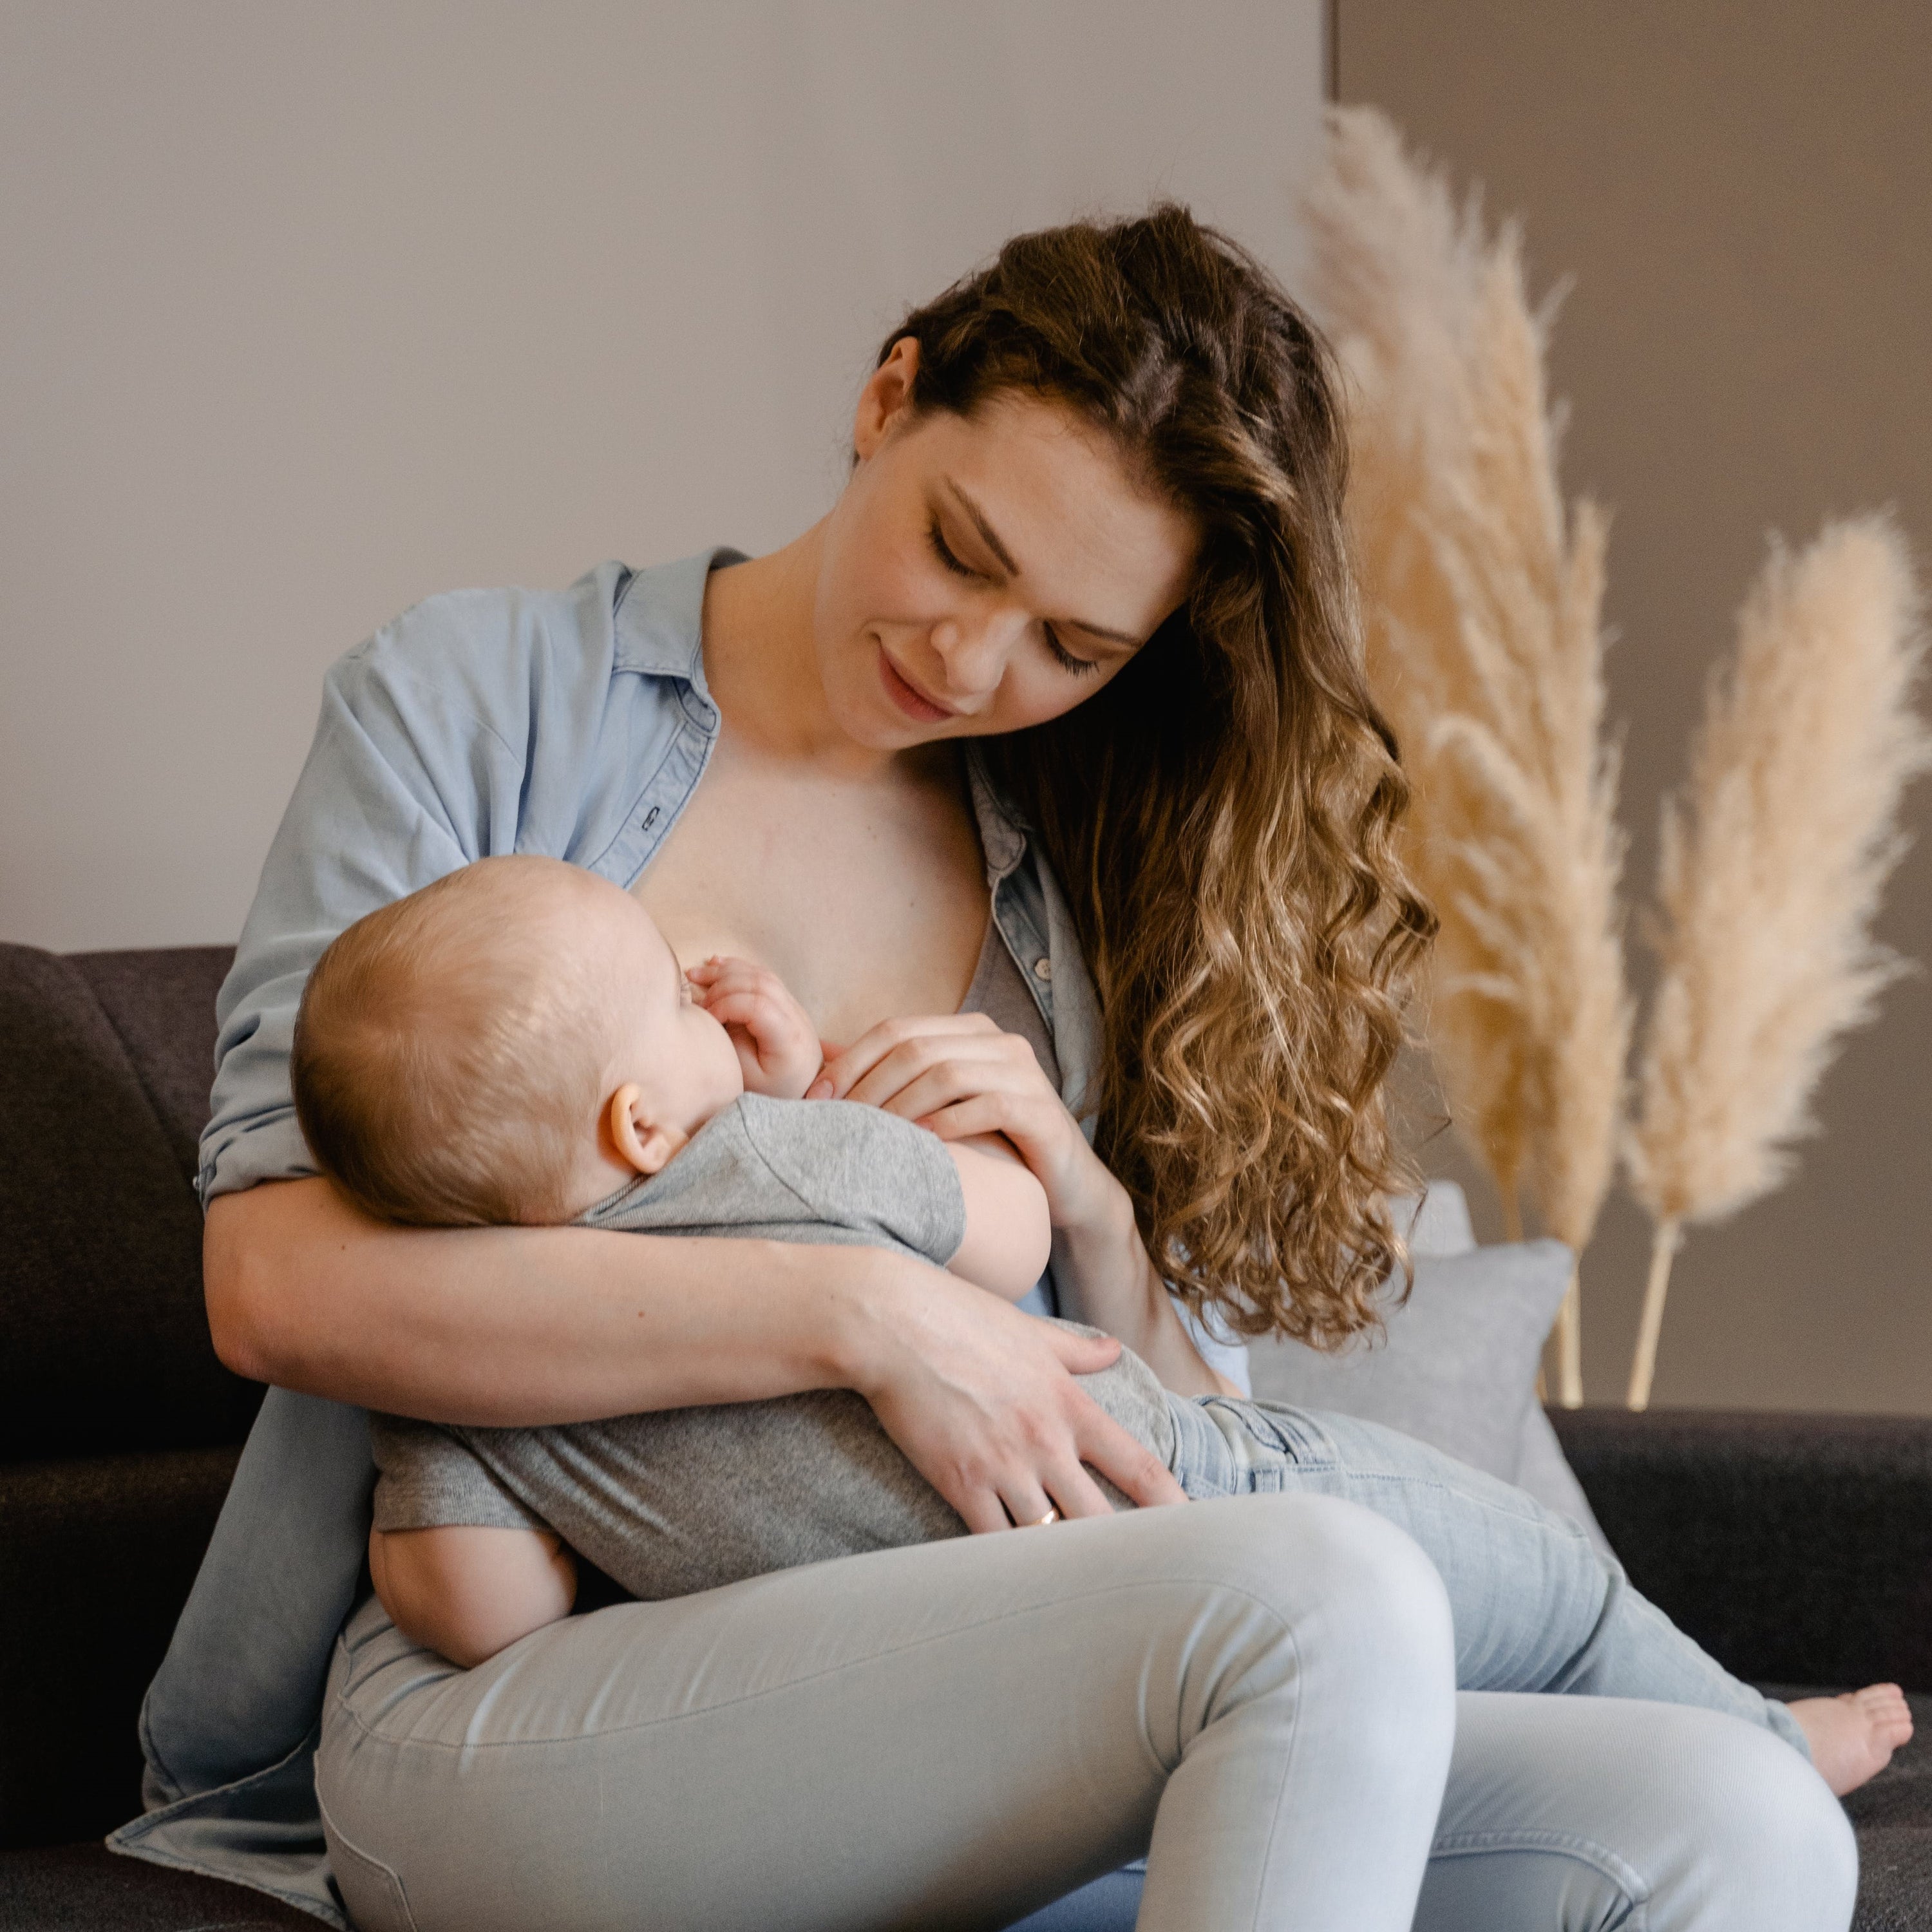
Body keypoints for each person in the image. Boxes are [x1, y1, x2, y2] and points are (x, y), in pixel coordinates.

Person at [117, 207, 1871, 1932]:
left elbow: (1168, 1442)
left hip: (999, 1666)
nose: (970, 663)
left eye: (1073, 645)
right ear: (890, 400)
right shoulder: (479, 701)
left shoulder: (1080, 849)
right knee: (1322, 1592)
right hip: (531, 1708)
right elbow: (275, 1283)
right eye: (962, 549)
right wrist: (872, 1315)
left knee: (1745, 1826)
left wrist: (1094, 1220)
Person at [289, 848, 1900, 1824]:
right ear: (646, 1120)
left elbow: (475, 1609)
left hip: (976, 1664)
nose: (707, 989)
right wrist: (797, 1094)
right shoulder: (750, 1158)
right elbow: (997, 1229)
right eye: (672, 991)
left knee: (1401, 1689)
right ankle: (1756, 1735)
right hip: (1196, 1489)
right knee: (1543, 1588)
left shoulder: (471, 1378)